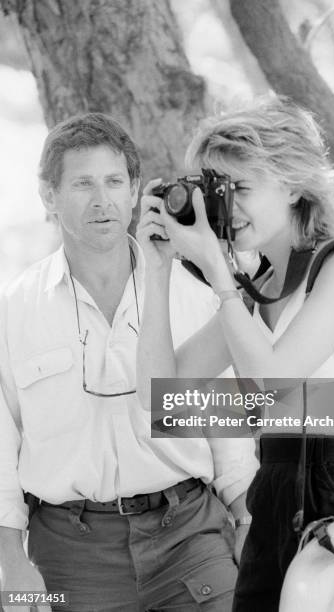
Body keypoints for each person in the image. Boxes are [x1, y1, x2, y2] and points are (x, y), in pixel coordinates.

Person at [136, 96, 334, 611]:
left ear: (295, 184)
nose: (226, 210)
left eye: (240, 189)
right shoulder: (259, 291)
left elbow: (271, 384)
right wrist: (158, 269)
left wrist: (221, 276)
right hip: (273, 494)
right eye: (218, 194)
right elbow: (161, 399)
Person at [0, 112, 258, 612]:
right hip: (70, 552)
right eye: (82, 184)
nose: (102, 200)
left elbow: (226, 427)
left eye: (115, 181)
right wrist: (11, 562)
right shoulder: (14, 310)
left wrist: (248, 521)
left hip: (189, 534)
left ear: (136, 189)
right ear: (49, 196)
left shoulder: (191, 294)